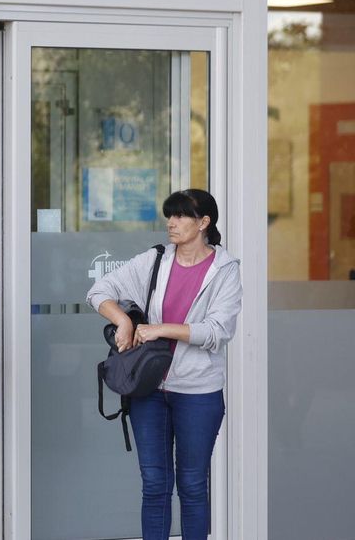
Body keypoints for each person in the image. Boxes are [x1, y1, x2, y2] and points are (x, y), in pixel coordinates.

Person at [87, 189, 241, 540]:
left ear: (204, 222)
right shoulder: (156, 259)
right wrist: (123, 321)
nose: (171, 223)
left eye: (182, 215)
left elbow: (218, 331)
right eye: (169, 215)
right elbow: (99, 290)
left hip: (198, 393)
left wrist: (159, 329)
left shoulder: (225, 270)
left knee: (191, 485)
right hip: (149, 389)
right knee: (154, 485)